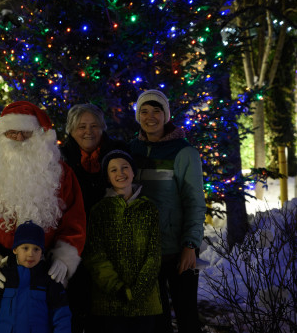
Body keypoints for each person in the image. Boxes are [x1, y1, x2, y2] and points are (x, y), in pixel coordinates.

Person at [0, 101, 86, 301]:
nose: (19, 138)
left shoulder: (61, 174)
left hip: (47, 271)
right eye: (11, 133)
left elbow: (75, 221)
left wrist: (64, 259)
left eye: (26, 133)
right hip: (1, 271)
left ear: (39, 136)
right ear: (0, 137)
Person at [129, 89, 205, 333]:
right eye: (144, 111)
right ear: (138, 115)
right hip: (145, 252)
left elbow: (194, 201)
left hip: (178, 251)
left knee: (187, 318)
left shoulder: (183, 152)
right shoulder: (131, 150)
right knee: (156, 321)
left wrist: (190, 245)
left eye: (156, 111)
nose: (150, 116)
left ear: (166, 115)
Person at [60, 103, 128, 332]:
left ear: (103, 128)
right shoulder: (59, 159)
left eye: (94, 126)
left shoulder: (118, 155)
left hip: (109, 247)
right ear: (71, 130)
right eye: (82, 127)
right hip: (73, 247)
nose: (88, 132)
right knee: (76, 310)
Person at [84, 149, 162, 333]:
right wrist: (118, 289)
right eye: (113, 170)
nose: (120, 173)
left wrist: (139, 291)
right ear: (107, 176)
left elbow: (154, 254)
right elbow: (95, 255)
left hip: (145, 303)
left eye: (125, 167)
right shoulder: (99, 210)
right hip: (109, 302)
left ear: (133, 172)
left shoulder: (149, 209)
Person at [0, 221, 72, 333]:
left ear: (42, 252)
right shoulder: (2, 276)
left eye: (36, 249)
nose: (30, 254)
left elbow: (61, 316)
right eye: (25, 248)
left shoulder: (50, 278)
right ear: (15, 249)